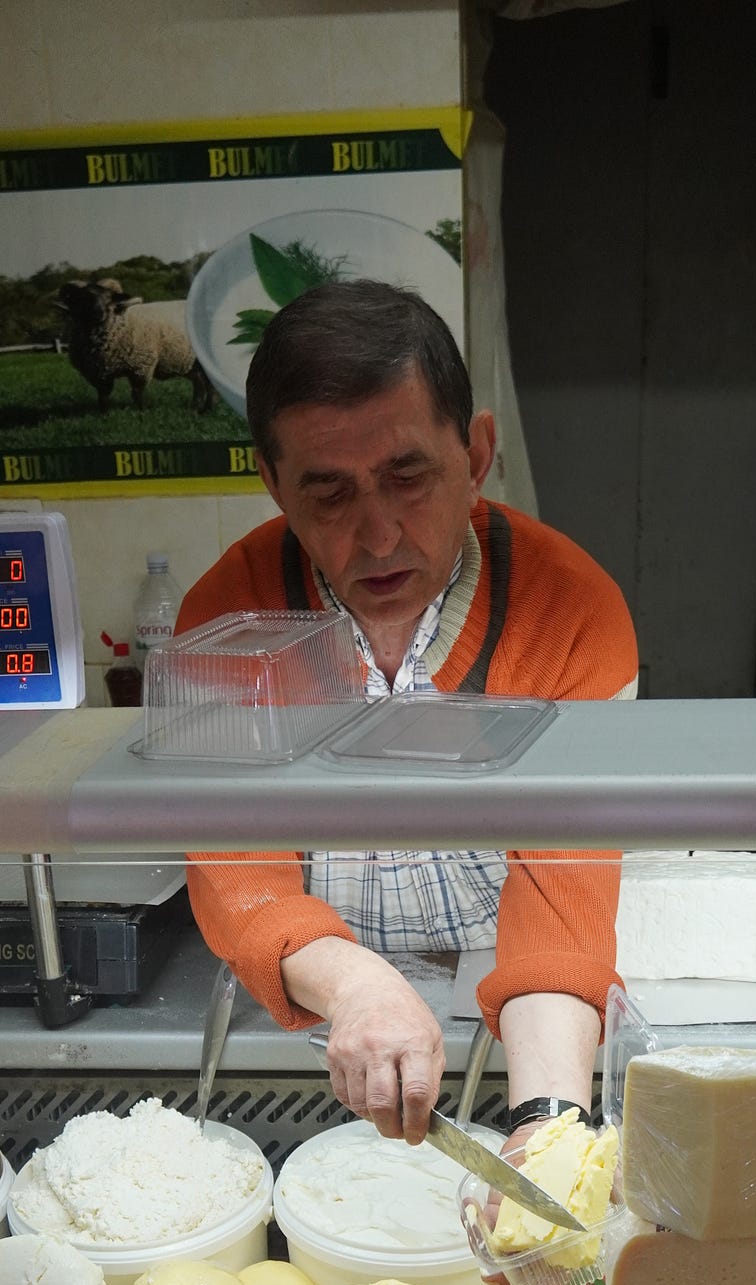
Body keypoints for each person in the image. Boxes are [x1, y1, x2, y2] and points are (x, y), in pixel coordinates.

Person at [178, 279, 637, 1152]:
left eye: (408, 477)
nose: (380, 536)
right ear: (271, 482)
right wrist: (354, 986)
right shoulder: (226, 619)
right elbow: (239, 873)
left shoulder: (571, 609)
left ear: (477, 452)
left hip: (532, 1019)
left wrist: (548, 1121)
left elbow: (561, 889)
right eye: (329, 493)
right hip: (314, 1008)